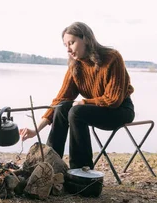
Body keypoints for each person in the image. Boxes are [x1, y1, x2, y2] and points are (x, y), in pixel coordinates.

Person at [20, 22, 135, 170]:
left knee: (76, 111)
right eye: (65, 45)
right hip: (92, 110)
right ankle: (49, 165)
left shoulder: (112, 58)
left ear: (86, 39)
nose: (68, 49)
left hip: (120, 110)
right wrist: (36, 130)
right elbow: (60, 100)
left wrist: (84, 102)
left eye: (72, 43)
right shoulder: (75, 65)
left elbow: (113, 99)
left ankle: (81, 172)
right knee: (63, 108)